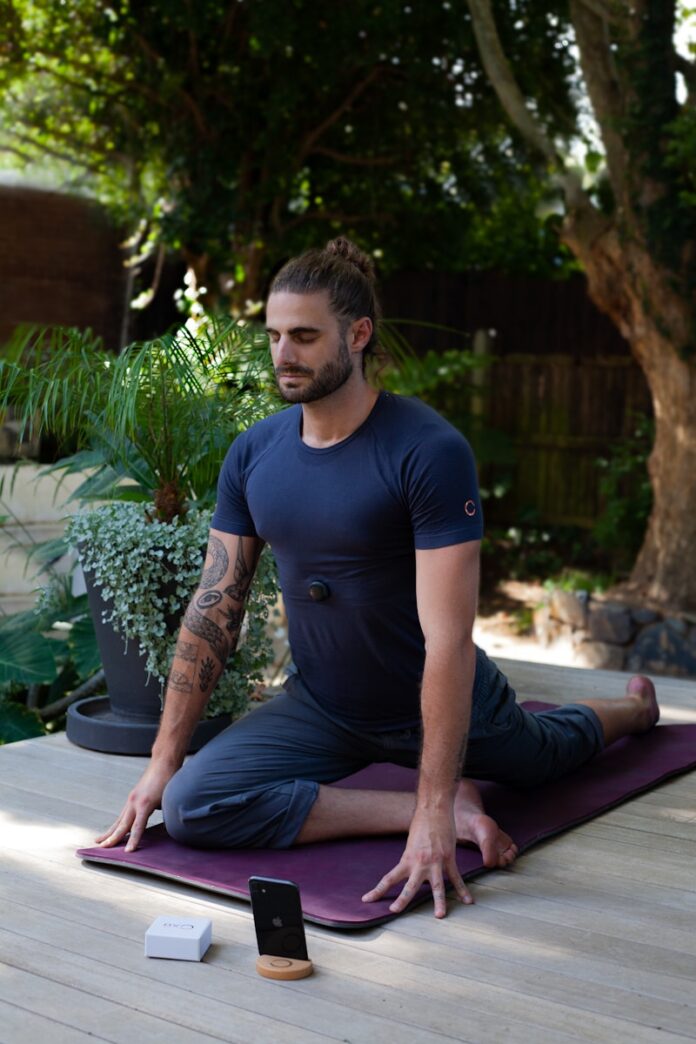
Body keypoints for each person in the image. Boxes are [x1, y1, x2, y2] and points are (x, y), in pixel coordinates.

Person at [96, 237, 659, 919]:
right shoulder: (255, 455)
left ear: (358, 334)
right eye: (274, 335)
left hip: (437, 701)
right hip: (324, 708)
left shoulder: (428, 452)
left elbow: (448, 641)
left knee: (545, 756)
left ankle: (634, 710)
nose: (282, 354)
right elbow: (214, 608)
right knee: (194, 806)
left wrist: (436, 801)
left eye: (304, 336)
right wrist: (162, 762)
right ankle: (435, 804)